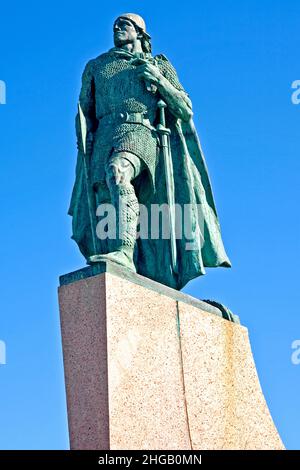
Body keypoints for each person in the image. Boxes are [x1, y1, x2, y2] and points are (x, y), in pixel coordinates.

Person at [69, 13, 231, 290]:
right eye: (115, 25)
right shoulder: (96, 66)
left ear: (140, 33)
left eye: (125, 24)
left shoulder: (158, 64)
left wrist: (160, 81)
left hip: (140, 130)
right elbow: (85, 110)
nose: (118, 28)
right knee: (106, 201)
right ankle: (123, 254)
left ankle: (124, 251)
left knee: (118, 171)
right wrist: (84, 138)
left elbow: (185, 108)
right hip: (105, 134)